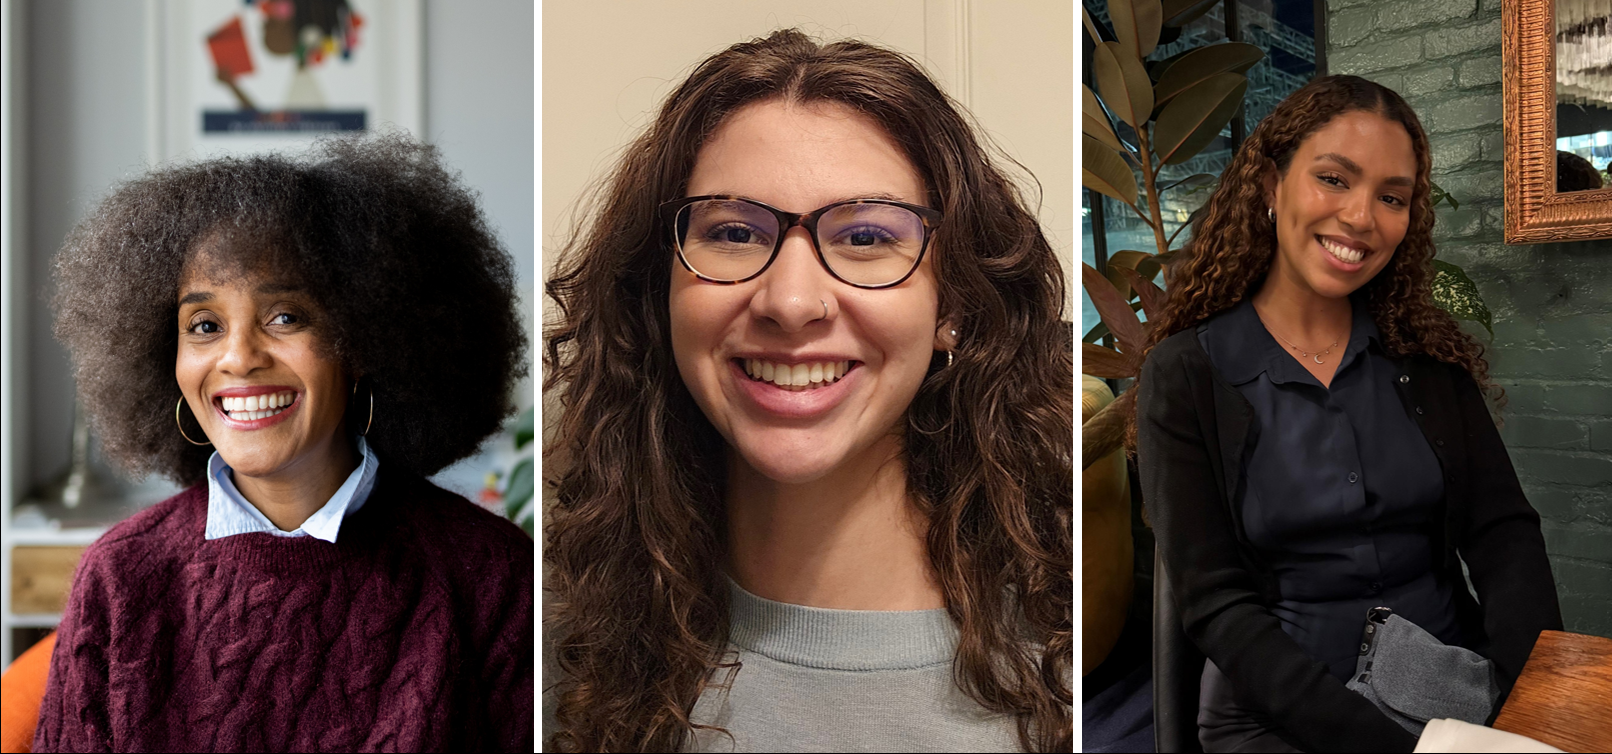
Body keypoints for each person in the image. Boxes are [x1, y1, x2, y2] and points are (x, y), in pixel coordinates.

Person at [542, 29, 1073, 753]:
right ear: (656, 297)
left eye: (864, 238)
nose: (791, 302)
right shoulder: (553, 663)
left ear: (955, 308)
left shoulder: (1068, 674)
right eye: (732, 231)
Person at [37, 134, 533, 752]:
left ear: (365, 344)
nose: (239, 358)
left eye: (285, 317)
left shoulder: (490, 575)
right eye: (206, 325)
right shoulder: (119, 579)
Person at [1132, 75, 1562, 752]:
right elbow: (1216, 606)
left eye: (1392, 197)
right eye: (1334, 179)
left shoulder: (1426, 359)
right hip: (1277, 717)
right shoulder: (1186, 375)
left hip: (1449, 690)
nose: (1362, 217)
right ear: (1271, 186)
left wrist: (1527, 699)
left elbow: (1503, 533)